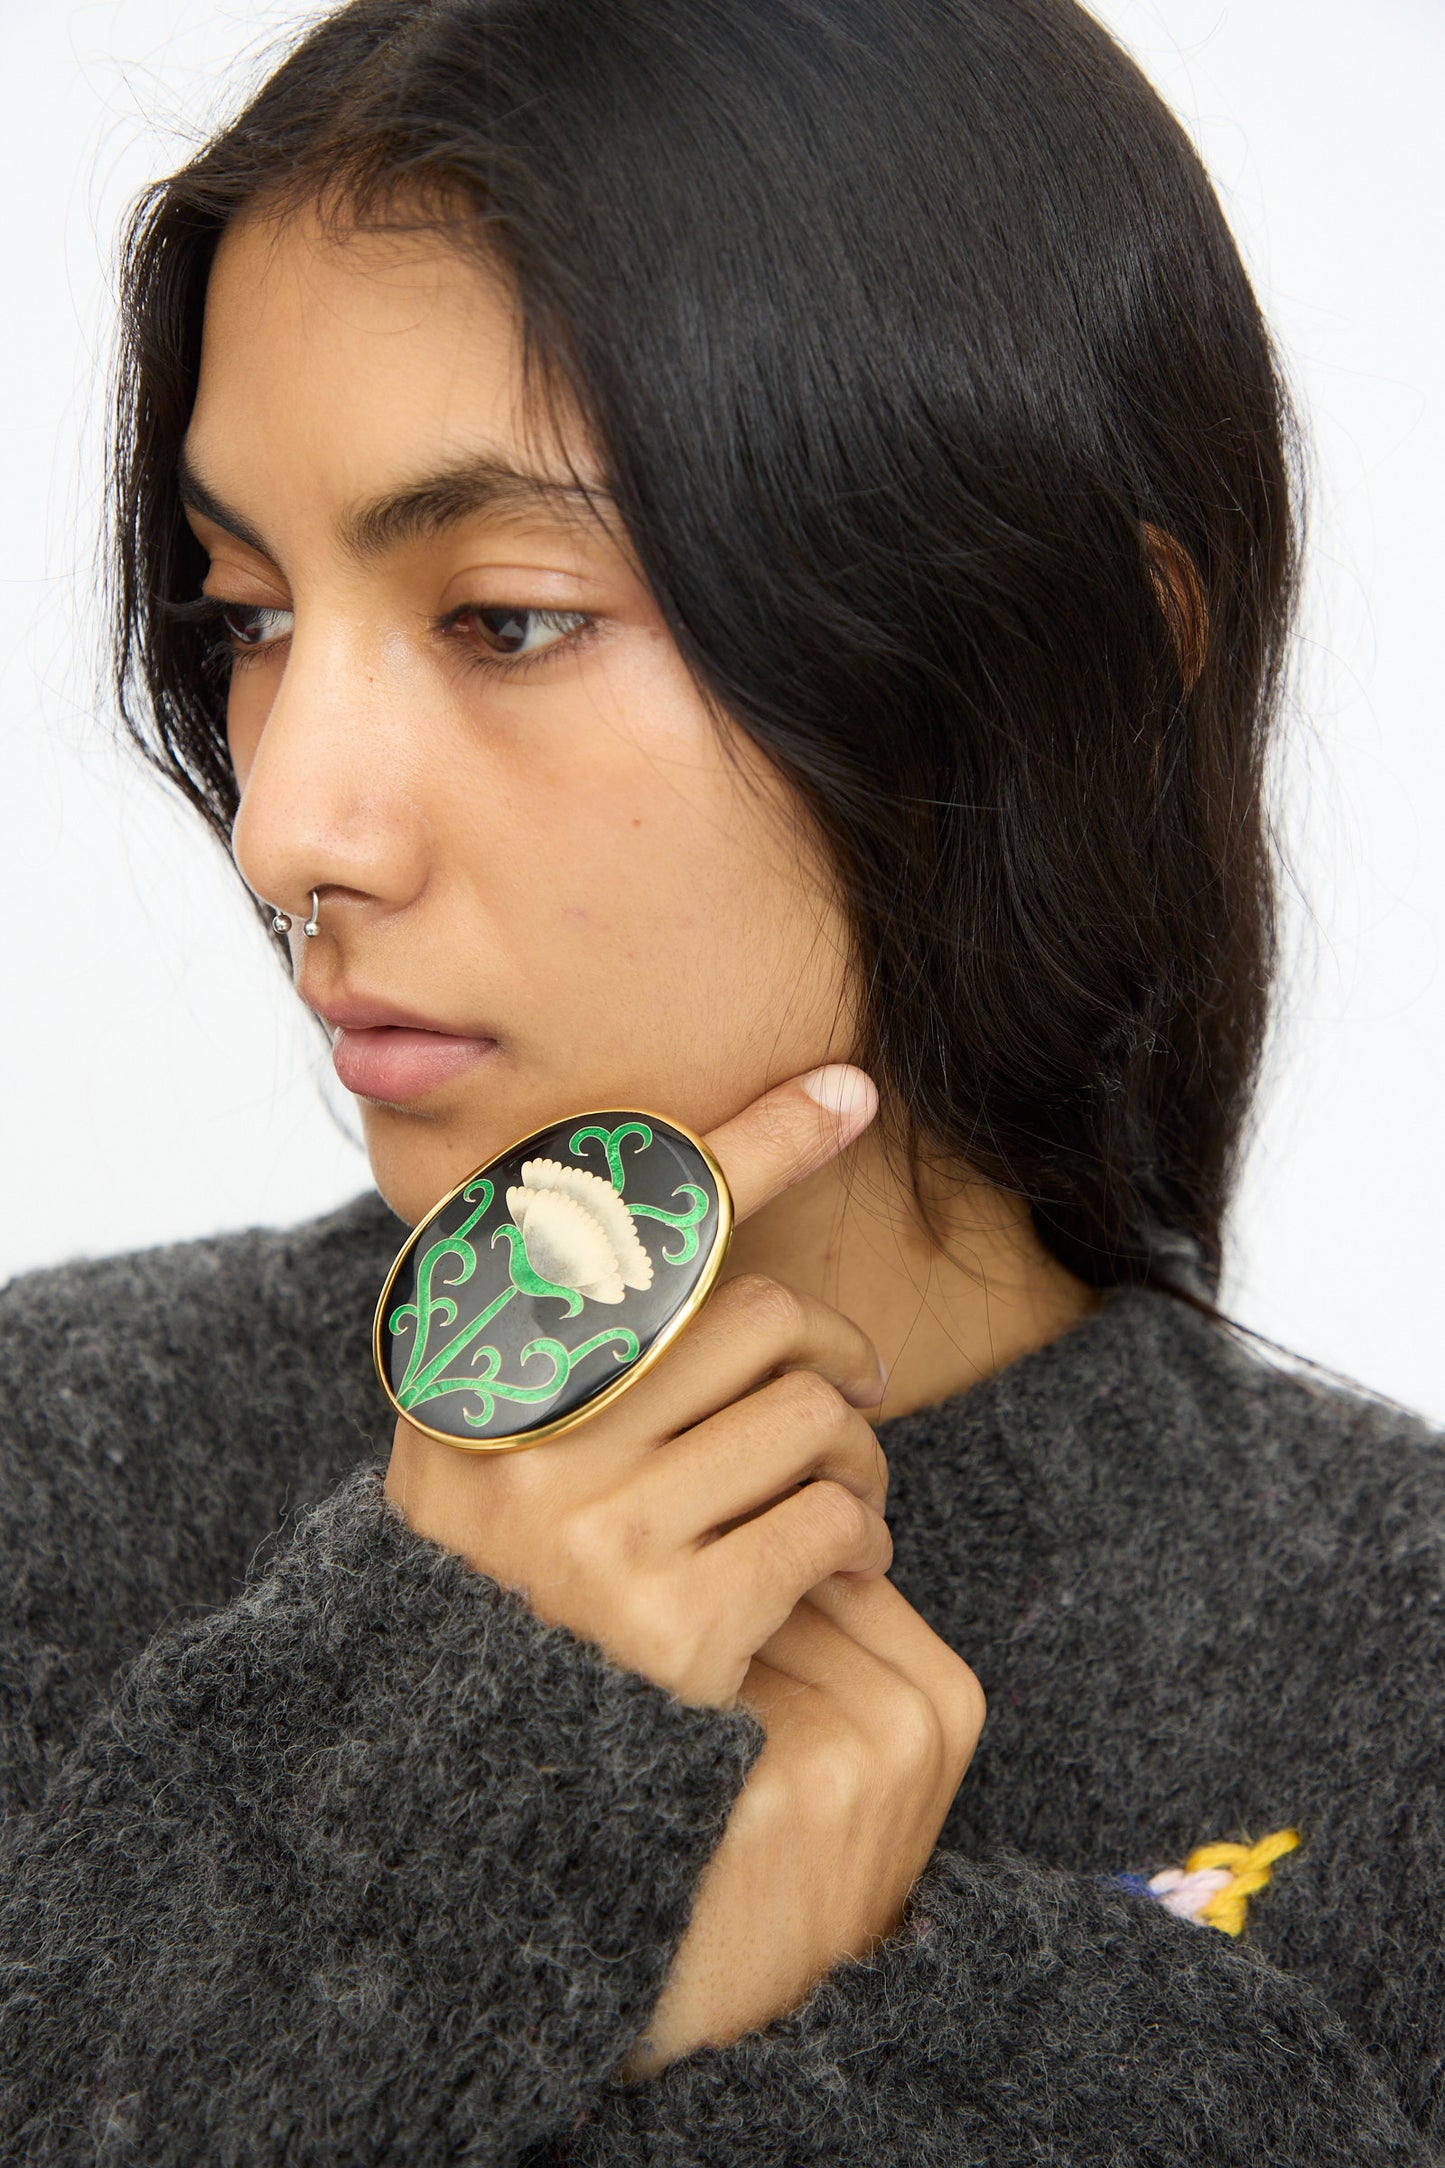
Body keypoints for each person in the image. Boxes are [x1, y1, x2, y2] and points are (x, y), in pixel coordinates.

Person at [2, 0, 1440, 2160]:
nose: (290, 819)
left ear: (1086, 659)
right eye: (246, 613)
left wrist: (866, 2015)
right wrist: (439, 1791)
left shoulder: (1397, 1669)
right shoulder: (44, 1477)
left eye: (501, 616)